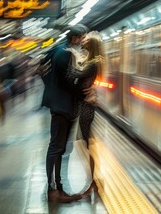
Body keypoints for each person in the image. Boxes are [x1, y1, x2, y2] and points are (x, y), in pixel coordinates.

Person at [39, 24, 91, 203]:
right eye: (83, 38)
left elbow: (41, 67)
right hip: (63, 106)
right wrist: (84, 93)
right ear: (75, 38)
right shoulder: (65, 54)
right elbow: (70, 81)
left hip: (61, 104)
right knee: (56, 147)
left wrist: (50, 86)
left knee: (59, 148)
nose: (84, 42)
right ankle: (53, 190)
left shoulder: (57, 51)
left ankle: (57, 187)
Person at [65, 31, 105, 197]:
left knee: (88, 143)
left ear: (92, 44)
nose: (83, 40)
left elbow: (75, 75)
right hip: (86, 104)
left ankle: (94, 181)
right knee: (87, 143)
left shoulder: (94, 63)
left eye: (86, 40)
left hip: (87, 106)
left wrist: (69, 60)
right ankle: (94, 181)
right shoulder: (92, 61)